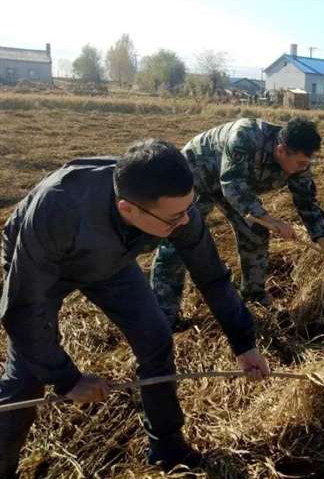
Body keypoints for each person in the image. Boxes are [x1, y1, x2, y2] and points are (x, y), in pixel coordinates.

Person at [0, 139, 270, 477]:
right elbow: (23, 308)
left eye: (189, 207)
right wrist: (67, 379)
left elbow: (211, 275)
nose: (186, 221)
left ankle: (168, 448)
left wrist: (243, 342)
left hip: (111, 263)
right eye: (175, 217)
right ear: (129, 209)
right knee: (27, 376)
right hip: (43, 265)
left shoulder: (175, 209)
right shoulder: (58, 208)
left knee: (156, 339)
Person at [150, 116, 324, 328]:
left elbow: (307, 203)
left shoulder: (299, 164)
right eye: (301, 163)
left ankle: (254, 296)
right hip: (196, 174)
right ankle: (164, 315)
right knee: (178, 239)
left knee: (255, 231)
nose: (304, 168)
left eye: (307, 163)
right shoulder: (246, 136)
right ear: (281, 151)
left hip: (234, 186)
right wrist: (270, 220)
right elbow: (232, 184)